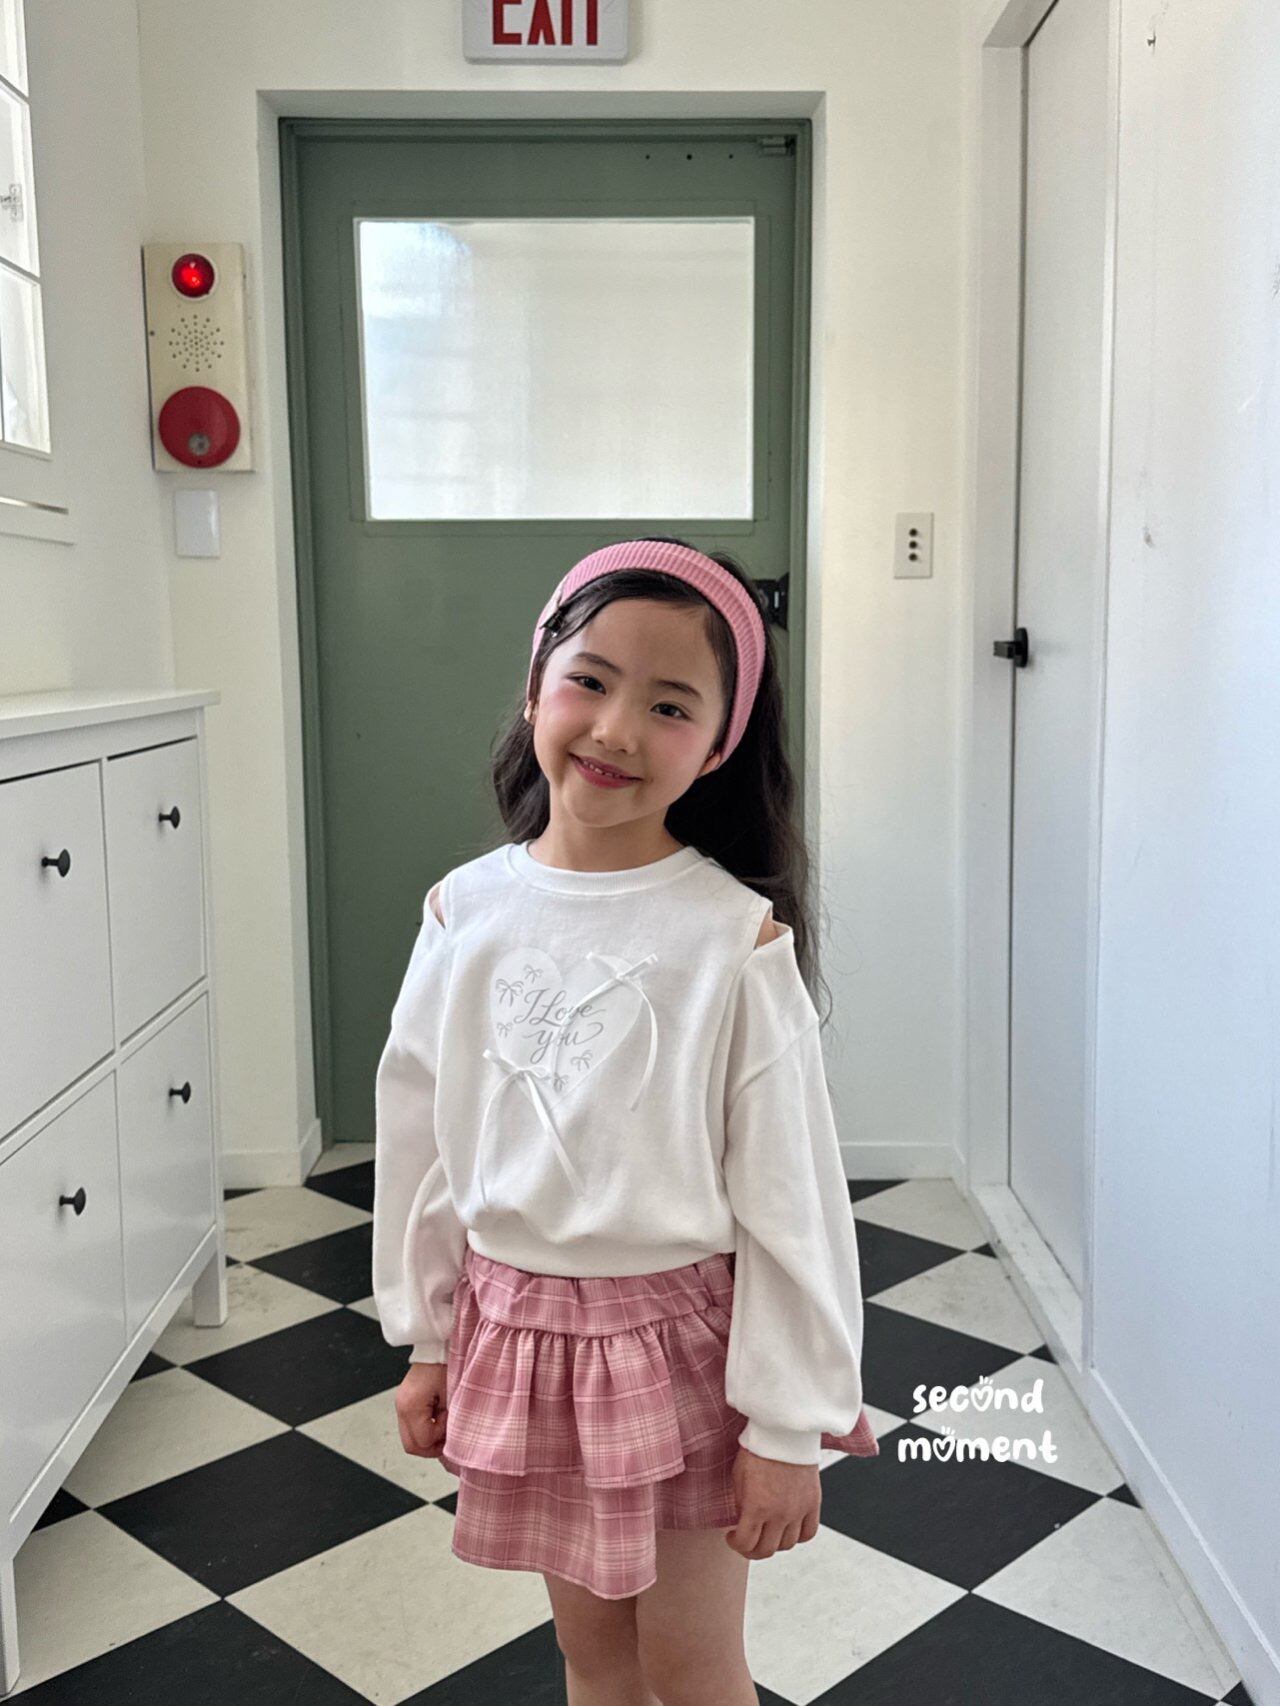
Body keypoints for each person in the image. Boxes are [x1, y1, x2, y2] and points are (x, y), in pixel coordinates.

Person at [372, 535, 877, 1706]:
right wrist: (428, 1336)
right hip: (518, 1340)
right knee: (594, 1658)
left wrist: (785, 1426)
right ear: (535, 685)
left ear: (717, 745)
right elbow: (426, 1143)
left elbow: (792, 1201)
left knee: (690, 1665)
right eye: (589, 680)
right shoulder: (464, 911)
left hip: (678, 1358)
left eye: (667, 705)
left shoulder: (731, 939)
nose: (613, 729)